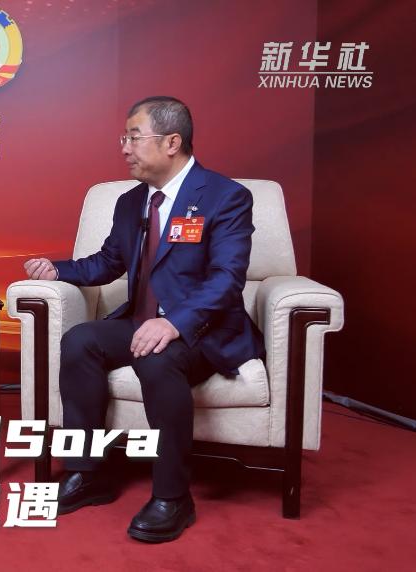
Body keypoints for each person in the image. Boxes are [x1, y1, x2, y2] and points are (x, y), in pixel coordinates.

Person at [24, 96, 264, 543]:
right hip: (142, 320)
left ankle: (173, 496)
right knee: (79, 341)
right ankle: (88, 472)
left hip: (202, 329)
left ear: (172, 142)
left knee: (156, 358)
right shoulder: (132, 201)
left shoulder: (225, 197)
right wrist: (58, 270)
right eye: (124, 138)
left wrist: (174, 324)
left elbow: (227, 279)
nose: (124, 148)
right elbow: (108, 262)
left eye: (134, 137)